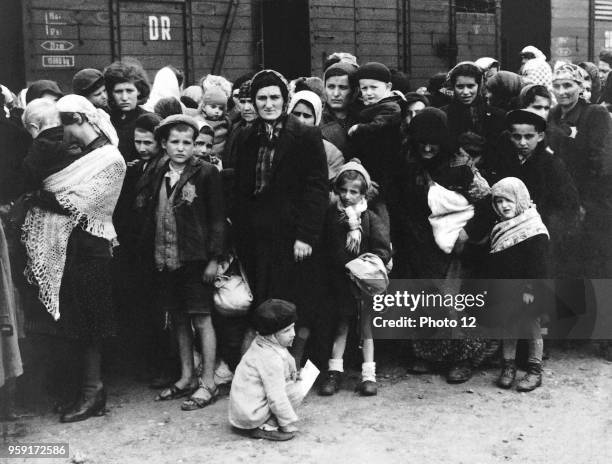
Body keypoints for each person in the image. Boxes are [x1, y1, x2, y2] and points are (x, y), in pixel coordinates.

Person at [21, 95, 125, 422]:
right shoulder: (82, 155)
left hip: (92, 248)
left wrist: (41, 195)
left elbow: (82, 206)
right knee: (74, 323)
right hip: (71, 247)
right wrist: (46, 194)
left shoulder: (110, 158)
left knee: (90, 323)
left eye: (62, 123)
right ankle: (85, 391)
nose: (58, 131)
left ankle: (94, 392)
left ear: (78, 119)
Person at [231, 69, 328, 365]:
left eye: (275, 97)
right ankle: (264, 365)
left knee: (294, 298)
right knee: (263, 298)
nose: (268, 104)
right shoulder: (246, 135)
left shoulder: (305, 134)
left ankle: (293, 362)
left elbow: (316, 187)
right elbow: (241, 188)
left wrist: (306, 236)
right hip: (259, 234)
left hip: (293, 233)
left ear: (285, 100)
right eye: (262, 98)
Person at [135, 114, 224, 410]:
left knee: (202, 317)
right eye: (175, 142)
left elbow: (217, 220)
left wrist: (214, 258)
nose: (182, 148)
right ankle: (187, 376)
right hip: (165, 258)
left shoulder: (206, 172)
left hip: (194, 259)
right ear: (163, 144)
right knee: (179, 318)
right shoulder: (157, 170)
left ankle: (208, 381)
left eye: (189, 142)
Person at [318, 161, 391, 397]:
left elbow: (383, 248)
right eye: (344, 190)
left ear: (363, 193)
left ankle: (369, 375)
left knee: (367, 328)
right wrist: (340, 265)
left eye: (354, 192)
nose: (348, 196)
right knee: (341, 325)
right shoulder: (332, 216)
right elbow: (326, 246)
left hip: (363, 283)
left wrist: (367, 264)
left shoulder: (369, 217)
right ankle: (334, 371)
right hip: (338, 281)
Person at [546, 63, 612, 277]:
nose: (562, 91)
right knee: (562, 261)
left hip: (589, 200)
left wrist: (584, 202)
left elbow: (600, 161)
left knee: (590, 261)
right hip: (559, 200)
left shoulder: (595, 114)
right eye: (557, 85)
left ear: (581, 86)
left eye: (568, 85)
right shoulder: (552, 115)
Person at [486, 177, 550, 392]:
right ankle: (508, 366)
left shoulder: (534, 228)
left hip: (529, 288)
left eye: (508, 201)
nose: (503, 206)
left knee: (533, 327)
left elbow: (539, 267)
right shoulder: (501, 228)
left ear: (520, 199)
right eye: (498, 202)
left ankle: (534, 370)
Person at [229, 299, 301, 441]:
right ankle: (266, 426)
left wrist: (290, 363)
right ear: (271, 335)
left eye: (293, 327)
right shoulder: (270, 359)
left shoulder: (261, 342)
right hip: (251, 414)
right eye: (286, 330)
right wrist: (287, 422)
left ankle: (265, 420)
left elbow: (282, 353)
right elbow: (276, 396)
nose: (293, 333)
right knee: (295, 391)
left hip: (244, 410)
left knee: (290, 384)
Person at [348, 62, 403, 216]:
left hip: (384, 173)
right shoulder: (373, 106)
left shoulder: (391, 107)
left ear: (388, 87)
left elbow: (379, 125)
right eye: (364, 88)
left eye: (374, 87)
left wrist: (358, 128)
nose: (368, 92)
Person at [442, 62, 505, 164]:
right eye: (460, 87)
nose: (466, 92)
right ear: (453, 87)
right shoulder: (443, 115)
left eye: (470, 86)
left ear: (479, 86)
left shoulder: (497, 116)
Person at [288, 90, 344, 182]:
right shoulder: (277, 144)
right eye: (296, 114)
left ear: (316, 119)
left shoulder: (332, 154)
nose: (300, 120)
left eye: (307, 116)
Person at [104, 59, 151, 162]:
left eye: (129, 91)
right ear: (111, 93)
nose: (124, 97)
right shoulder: (104, 119)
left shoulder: (149, 120)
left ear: (139, 91)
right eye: (118, 91)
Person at [321, 60, 359, 156]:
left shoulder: (364, 119)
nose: (336, 94)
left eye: (342, 87)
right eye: (331, 87)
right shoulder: (315, 119)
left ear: (354, 91)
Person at [196, 86, 232, 157]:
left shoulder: (226, 122)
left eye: (221, 108)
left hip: (220, 157)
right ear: (203, 107)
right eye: (213, 107)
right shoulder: (198, 122)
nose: (217, 111)